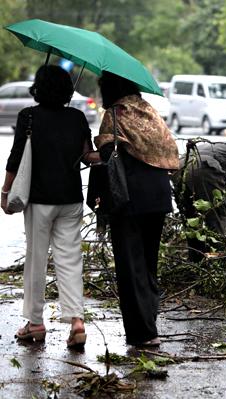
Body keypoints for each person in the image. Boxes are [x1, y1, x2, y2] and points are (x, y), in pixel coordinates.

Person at [1, 65, 94, 348]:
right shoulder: (77, 118)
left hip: (39, 200)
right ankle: (76, 321)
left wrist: (5, 191)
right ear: (68, 89)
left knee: (36, 260)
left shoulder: (28, 116)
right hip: (70, 200)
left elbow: (16, 157)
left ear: (38, 88)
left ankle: (36, 323)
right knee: (70, 260)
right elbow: (88, 156)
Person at [91, 71, 179, 347]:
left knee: (130, 267)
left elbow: (108, 156)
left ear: (111, 87)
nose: (101, 91)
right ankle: (149, 322)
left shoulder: (116, 115)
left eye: (102, 86)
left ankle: (144, 333)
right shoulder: (148, 111)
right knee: (148, 263)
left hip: (128, 198)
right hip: (158, 196)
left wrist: (85, 153)